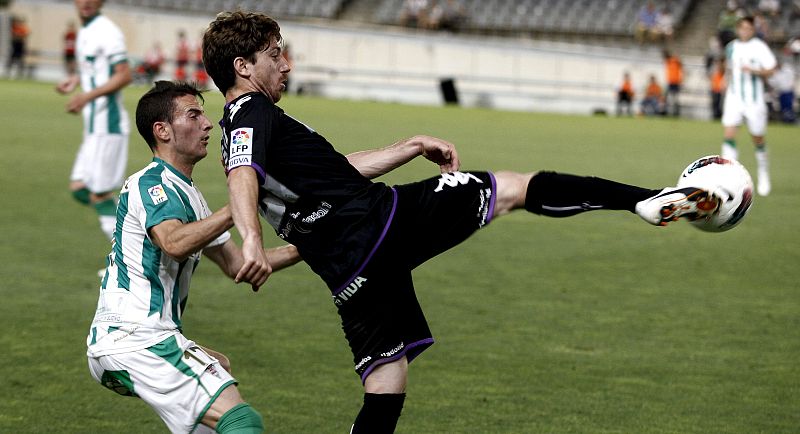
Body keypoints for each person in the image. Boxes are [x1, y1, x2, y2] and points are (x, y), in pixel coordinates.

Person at [202, 11, 721, 433]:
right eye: (275, 55)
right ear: (244, 67)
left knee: (386, 381)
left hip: (347, 269)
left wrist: (409, 146)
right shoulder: (249, 112)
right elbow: (243, 174)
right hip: (383, 223)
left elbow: (331, 174)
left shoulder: (248, 125)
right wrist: (250, 239)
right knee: (514, 189)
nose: (286, 65)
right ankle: (647, 201)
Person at [86, 80, 302, 433]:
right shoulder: (150, 183)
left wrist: (311, 244)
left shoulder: (192, 198)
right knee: (240, 420)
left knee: (220, 370)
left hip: (143, 338)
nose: (207, 124)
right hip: (133, 337)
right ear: (163, 131)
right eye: (194, 114)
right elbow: (173, 242)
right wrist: (242, 199)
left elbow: (238, 264)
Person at [55, 0, 133, 244]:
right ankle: (138, 224)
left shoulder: (107, 31)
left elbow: (124, 74)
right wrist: (76, 79)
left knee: (100, 196)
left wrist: (86, 96)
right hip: (94, 129)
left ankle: (130, 262)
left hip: (108, 127)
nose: (86, 1)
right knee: (80, 189)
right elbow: (97, 68)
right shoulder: (86, 30)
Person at [720, 16, 777, 196]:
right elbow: (729, 68)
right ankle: (729, 179)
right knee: (729, 134)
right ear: (738, 29)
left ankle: (763, 172)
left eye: (748, 28)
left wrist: (755, 70)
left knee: (757, 138)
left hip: (754, 99)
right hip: (734, 97)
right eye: (742, 28)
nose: (745, 31)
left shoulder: (759, 47)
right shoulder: (731, 47)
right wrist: (724, 79)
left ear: (753, 30)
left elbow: (771, 69)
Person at [663, 50, 683, 117]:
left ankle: (676, 112)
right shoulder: (668, 61)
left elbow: (681, 64)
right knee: (668, 97)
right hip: (670, 82)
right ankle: (666, 111)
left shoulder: (675, 60)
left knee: (675, 98)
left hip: (676, 82)